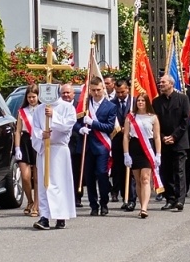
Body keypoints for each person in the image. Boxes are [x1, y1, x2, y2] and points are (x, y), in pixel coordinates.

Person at [31, 83, 77, 229]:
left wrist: (54, 116)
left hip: (59, 150)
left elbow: (68, 125)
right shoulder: (39, 109)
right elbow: (35, 129)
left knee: (60, 184)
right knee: (45, 184)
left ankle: (61, 216)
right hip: (44, 149)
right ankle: (44, 216)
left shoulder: (67, 107)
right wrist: (41, 135)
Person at [78, 78, 116, 216]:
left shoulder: (110, 106)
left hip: (102, 147)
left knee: (102, 174)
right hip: (87, 146)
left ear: (103, 89)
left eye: (98, 90)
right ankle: (93, 205)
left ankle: (104, 203)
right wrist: (80, 129)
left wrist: (92, 123)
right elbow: (75, 122)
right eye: (93, 90)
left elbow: (110, 127)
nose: (96, 93)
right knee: (89, 177)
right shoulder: (85, 104)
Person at [154, 73, 190, 211]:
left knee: (179, 171)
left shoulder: (182, 98)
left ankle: (180, 200)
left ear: (171, 84)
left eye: (163, 82)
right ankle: (170, 199)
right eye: (160, 82)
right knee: (166, 171)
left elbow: (186, 120)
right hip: (163, 141)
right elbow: (155, 122)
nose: (161, 84)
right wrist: (163, 136)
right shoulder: (157, 102)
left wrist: (174, 136)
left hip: (179, 141)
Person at [125, 91, 162, 217]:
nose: (140, 102)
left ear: (147, 102)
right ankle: (142, 204)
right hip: (135, 147)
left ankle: (144, 208)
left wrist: (158, 154)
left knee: (145, 178)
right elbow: (126, 136)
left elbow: (157, 137)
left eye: (143, 100)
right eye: (139, 100)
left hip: (148, 148)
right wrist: (126, 154)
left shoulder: (153, 117)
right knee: (138, 180)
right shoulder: (130, 117)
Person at [12, 84, 40, 217]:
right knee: (25, 176)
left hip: (38, 142)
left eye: (34, 97)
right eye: (29, 97)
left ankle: (37, 205)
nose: (31, 99)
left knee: (38, 177)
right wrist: (17, 147)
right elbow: (17, 131)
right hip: (25, 143)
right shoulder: (22, 111)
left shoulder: (42, 109)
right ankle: (29, 201)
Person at [110, 77, 135, 210]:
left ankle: (132, 198)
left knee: (132, 172)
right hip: (118, 142)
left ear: (128, 89)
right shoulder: (111, 103)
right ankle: (125, 197)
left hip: (133, 142)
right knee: (120, 171)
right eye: (118, 92)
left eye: (123, 92)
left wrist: (130, 128)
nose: (120, 95)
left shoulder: (135, 102)